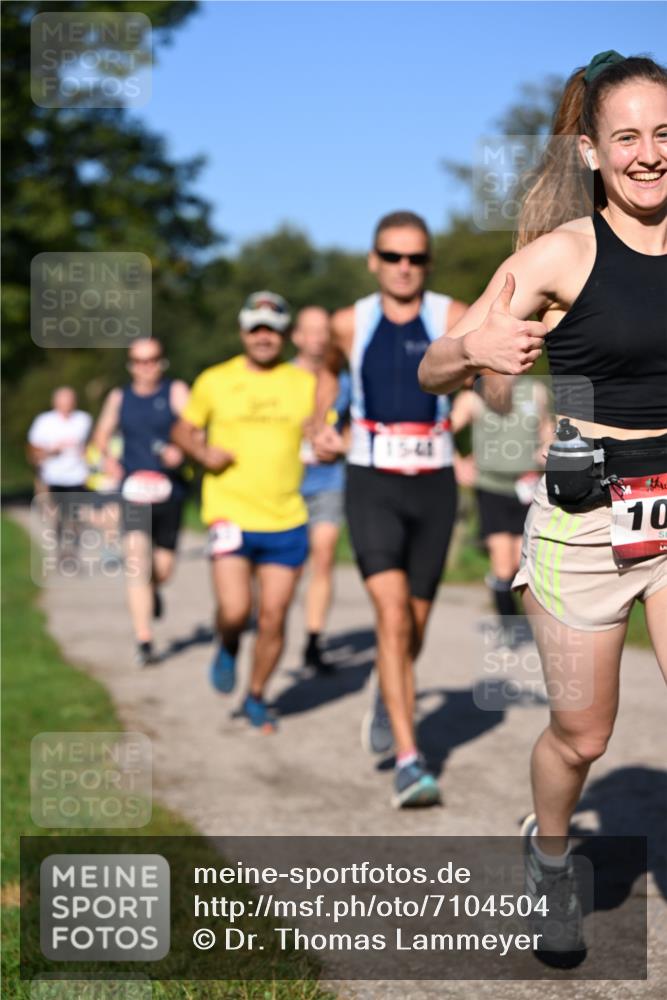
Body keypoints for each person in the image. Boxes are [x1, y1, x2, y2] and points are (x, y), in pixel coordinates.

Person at [419, 53, 667, 953]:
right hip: (588, 522)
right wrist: (478, 346)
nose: (648, 154)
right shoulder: (563, 252)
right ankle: (553, 857)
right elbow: (437, 364)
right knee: (582, 735)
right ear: (595, 153)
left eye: (663, 135)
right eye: (627, 137)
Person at [313, 211, 468, 807]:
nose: (405, 268)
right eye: (393, 256)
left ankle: (389, 689)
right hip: (371, 480)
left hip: (433, 483)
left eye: (417, 258)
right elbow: (328, 379)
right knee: (393, 615)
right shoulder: (347, 323)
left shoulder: (450, 315)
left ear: (427, 263)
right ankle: (410, 759)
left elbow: (482, 379)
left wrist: (493, 391)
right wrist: (324, 425)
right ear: (374, 259)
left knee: (414, 627)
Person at [171, 291, 316, 731]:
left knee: (273, 617)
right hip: (229, 514)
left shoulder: (304, 384)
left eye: (271, 329)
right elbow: (183, 430)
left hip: (287, 517)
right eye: (255, 328)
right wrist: (201, 451)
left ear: (285, 334)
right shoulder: (215, 380)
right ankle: (229, 641)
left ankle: (256, 695)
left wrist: (332, 445)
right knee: (236, 610)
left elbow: (324, 435)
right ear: (242, 332)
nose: (263, 336)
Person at [93, 338, 190, 666]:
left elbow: (194, 430)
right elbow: (101, 434)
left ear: (161, 362)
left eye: (151, 360)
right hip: (132, 491)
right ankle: (144, 639)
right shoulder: (120, 397)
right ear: (130, 364)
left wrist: (182, 451)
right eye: (138, 361)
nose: (145, 366)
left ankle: (153, 591)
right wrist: (107, 458)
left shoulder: (175, 391)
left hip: (169, 492)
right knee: (136, 559)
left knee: (162, 568)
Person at [450, 376, 552, 648]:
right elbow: (441, 430)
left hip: (527, 488)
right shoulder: (473, 396)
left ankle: (528, 623)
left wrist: (547, 448)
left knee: (526, 565)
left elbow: (546, 429)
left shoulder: (535, 391)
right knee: (503, 562)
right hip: (491, 488)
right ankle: (509, 629)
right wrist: (457, 462)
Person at [292, 306, 351, 674]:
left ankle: (313, 641)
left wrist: (341, 443)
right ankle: (272, 622)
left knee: (324, 556)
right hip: (284, 485)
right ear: (296, 336)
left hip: (329, 480)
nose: (316, 338)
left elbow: (356, 424)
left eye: (323, 331)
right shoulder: (280, 378)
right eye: (309, 331)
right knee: (289, 566)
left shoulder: (345, 380)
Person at [27, 387, 92, 549]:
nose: (66, 404)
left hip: (78, 476)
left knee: (75, 514)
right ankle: (60, 545)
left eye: (69, 400)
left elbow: (92, 444)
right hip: (53, 476)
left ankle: (73, 550)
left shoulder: (84, 419)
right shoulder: (44, 421)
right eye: (62, 401)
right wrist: (51, 451)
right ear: (55, 402)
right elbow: (32, 450)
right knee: (56, 515)